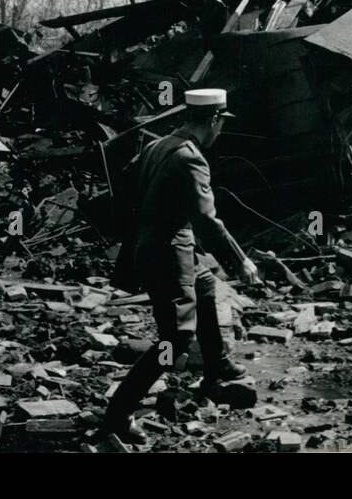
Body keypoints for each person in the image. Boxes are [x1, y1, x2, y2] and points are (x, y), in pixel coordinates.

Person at [103, 88, 260, 445]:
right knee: (176, 339)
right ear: (214, 121)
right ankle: (118, 413)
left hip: (157, 243)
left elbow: (126, 187)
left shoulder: (160, 144)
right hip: (166, 251)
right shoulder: (191, 158)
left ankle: (216, 369)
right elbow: (206, 220)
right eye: (222, 124)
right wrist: (240, 261)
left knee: (204, 286)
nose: (221, 131)